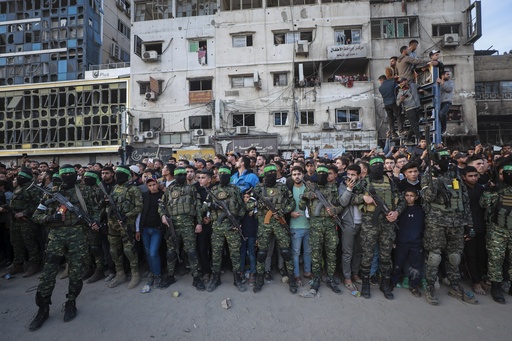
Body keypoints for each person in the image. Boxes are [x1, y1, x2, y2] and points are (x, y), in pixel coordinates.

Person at [29, 165, 101, 330]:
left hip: (78, 238)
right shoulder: (52, 194)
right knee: (47, 276)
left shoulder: (85, 192)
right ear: (59, 176)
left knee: (76, 274)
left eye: (71, 174)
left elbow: (95, 210)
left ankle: (71, 302)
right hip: (56, 239)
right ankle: (43, 309)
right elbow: (36, 216)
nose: (68, 176)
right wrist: (50, 218)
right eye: (65, 174)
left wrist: (95, 221)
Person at [421, 150, 476, 305]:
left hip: (457, 222)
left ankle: (455, 285)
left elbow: (464, 200)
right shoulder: (429, 176)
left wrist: (469, 223)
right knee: (434, 256)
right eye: (442, 159)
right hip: (436, 222)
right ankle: (430, 286)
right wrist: (435, 178)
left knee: (455, 256)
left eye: (447, 158)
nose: (446, 161)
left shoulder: (455, 174)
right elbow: (428, 197)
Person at [351, 156, 404, 299]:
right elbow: (351, 198)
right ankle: (366, 284)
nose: (378, 167)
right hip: (369, 224)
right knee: (367, 255)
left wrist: (397, 212)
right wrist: (363, 198)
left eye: (380, 165)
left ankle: (385, 284)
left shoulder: (390, 182)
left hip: (388, 224)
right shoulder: (364, 182)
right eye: (375, 165)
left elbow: (402, 200)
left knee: (386, 256)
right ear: (370, 167)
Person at [253, 164, 297, 294]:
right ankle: (259, 279)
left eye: (274, 172)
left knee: (285, 252)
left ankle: (292, 279)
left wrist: (282, 211)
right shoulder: (258, 188)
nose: (272, 175)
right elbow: (249, 204)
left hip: (279, 223)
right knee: (261, 253)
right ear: (264, 175)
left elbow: (292, 203)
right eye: (269, 173)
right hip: (264, 225)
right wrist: (259, 204)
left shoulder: (282, 187)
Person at [159, 167, 205, 291]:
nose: (180, 177)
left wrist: (199, 223)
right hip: (172, 225)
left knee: (191, 251)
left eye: (182, 174)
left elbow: (199, 207)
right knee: (171, 252)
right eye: (178, 175)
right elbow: (161, 205)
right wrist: (163, 216)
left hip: (188, 224)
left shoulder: (192, 189)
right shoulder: (169, 189)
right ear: (174, 176)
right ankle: (170, 275)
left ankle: (196, 277)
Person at [300, 166, 343, 295]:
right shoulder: (311, 187)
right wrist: (307, 196)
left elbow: (341, 204)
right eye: (320, 173)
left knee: (331, 253)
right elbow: (302, 206)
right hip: (315, 224)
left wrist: (336, 210)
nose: (323, 176)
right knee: (316, 253)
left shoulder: (334, 187)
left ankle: (330, 277)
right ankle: (316, 277)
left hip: (330, 225)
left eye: (326, 174)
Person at [204, 166, 246, 292]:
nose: (222, 176)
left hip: (232, 227)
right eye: (220, 174)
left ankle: (237, 278)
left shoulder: (235, 190)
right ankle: (215, 278)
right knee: (216, 254)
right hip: (217, 227)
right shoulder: (213, 190)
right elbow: (204, 206)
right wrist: (212, 205)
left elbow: (242, 207)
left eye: (225, 174)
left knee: (235, 254)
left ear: (229, 176)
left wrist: (237, 220)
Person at [480, 157, 512, 304]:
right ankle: (496, 287)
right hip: (498, 229)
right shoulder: (495, 189)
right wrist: (490, 190)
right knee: (496, 259)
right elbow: (484, 203)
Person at [107, 166, 143, 289]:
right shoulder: (114, 188)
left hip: (127, 224)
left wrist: (126, 216)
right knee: (114, 250)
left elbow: (139, 207)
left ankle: (135, 274)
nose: (117, 176)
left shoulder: (134, 190)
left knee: (129, 250)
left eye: (120, 174)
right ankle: (120, 274)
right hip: (113, 224)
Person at [2, 168, 42, 278]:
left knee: (30, 243)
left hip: (27, 221)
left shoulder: (32, 189)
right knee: (16, 243)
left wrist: (24, 213)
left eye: (19, 177)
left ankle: (35, 264)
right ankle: (18, 264)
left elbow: (39, 205)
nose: (16, 178)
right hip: (15, 220)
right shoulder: (18, 188)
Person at [391, 188, 424, 298]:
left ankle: (413, 285)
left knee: (415, 266)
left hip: (416, 243)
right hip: (401, 242)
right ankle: (393, 282)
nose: (409, 198)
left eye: (411, 195)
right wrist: (394, 240)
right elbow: (394, 226)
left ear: (416, 197)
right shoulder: (400, 211)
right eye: (407, 195)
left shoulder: (420, 210)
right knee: (397, 264)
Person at [461, 166, 488, 296]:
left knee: (481, 254)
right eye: (470, 176)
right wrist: (466, 228)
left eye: (475, 175)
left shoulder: (481, 189)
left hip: (481, 226)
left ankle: (481, 278)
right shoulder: (461, 190)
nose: (473, 178)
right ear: (464, 177)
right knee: (470, 256)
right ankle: (475, 281)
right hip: (468, 227)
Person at [338, 164, 363, 291]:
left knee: (358, 251)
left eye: (353, 175)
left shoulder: (364, 186)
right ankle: (347, 277)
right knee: (347, 252)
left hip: (362, 224)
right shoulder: (343, 186)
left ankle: (355, 273)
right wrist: (349, 189)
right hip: (348, 223)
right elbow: (343, 202)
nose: (351, 177)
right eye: (349, 174)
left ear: (359, 175)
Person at [139, 177, 165, 293]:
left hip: (157, 229)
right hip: (145, 229)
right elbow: (140, 212)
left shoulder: (163, 195)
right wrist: (137, 229)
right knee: (148, 252)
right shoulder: (144, 196)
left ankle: (158, 275)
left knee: (154, 252)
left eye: (154, 184)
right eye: (149, 185)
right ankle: (152, 273)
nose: (152, 187)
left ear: (157, 184)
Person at [80, 171, 105, 284]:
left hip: (94, 222)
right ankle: (89, 267)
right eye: (85, 177)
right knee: (86, 247)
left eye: (88, 177)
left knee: (95, 247)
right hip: (83, 221)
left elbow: (101, 207)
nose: (86, 179)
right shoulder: (81, 190)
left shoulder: (99, 191)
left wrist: (96, 221)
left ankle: (99, 269)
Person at [289, 166, 312, 285]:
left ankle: (307, 272)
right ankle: (296, 275)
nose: (297, 176)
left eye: (299, 173)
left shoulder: (308, 188)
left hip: (308, 225)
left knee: (308, 251)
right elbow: (284, 205)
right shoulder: (288, 189)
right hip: (295, 226)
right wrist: (290, 214)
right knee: (296, 253)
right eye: (294, 174)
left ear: (303, 174)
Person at [396, 77, 421, 142]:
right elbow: (397, 103)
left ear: (406, 81)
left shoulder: (413, 85)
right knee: (415, 125)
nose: (401, 83)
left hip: (417, 107)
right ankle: (421, 139)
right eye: (400, 83)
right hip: (409, 109)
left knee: (414, 124)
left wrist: (420, 90)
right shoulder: (401, 92)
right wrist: (401, 100)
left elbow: (420, 86)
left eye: (402, 82)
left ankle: (408, 139)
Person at [379, 68, 401, 138]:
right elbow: (398, 88)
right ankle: (400, 130)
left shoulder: (380, 88)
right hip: (394, 102)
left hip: (386, 104)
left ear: (382, 80)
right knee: (398, 115)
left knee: (390, 118)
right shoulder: (392, 82)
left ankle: (393, 131)